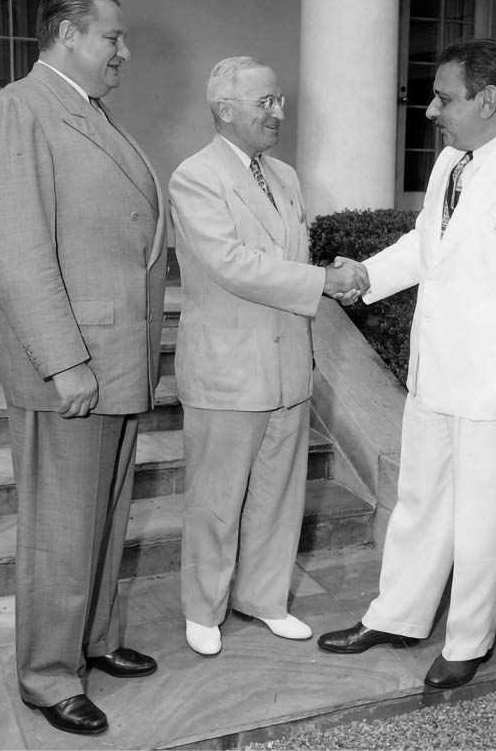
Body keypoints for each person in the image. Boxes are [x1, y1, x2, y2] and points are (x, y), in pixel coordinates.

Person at [318, 39, 496, 689]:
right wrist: (365, 275)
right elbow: (425, 243)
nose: (431, 111)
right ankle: (398, 616)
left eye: (444, 98)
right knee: (418, 503)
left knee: (484, 523)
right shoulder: (452, 163)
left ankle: (468, 641)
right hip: (434, 374)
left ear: (487, 99)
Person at [0, 0, 167, 735]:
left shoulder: (87, 111)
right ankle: (48, 676)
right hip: (74, 366)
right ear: (65, 34)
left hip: (115, 355)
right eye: (111, 38)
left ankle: (94, 639)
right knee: (61, 528)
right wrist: (63, 361)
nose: (124, 52)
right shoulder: (18, 110)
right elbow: (16, 248)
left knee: (105, 516)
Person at [169, 56, 368, 657]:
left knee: (279, 496)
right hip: (228, 368)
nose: (279, 112)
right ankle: (203, 608)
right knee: (217, 499)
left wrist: (329, 273)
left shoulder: (284, 176)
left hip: (288, 366)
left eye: (280, 100)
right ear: (224, 110)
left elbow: (287, 258)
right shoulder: (195, 177)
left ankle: (263, 598)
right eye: (266, 102)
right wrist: (323, 282)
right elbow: (233, 265)